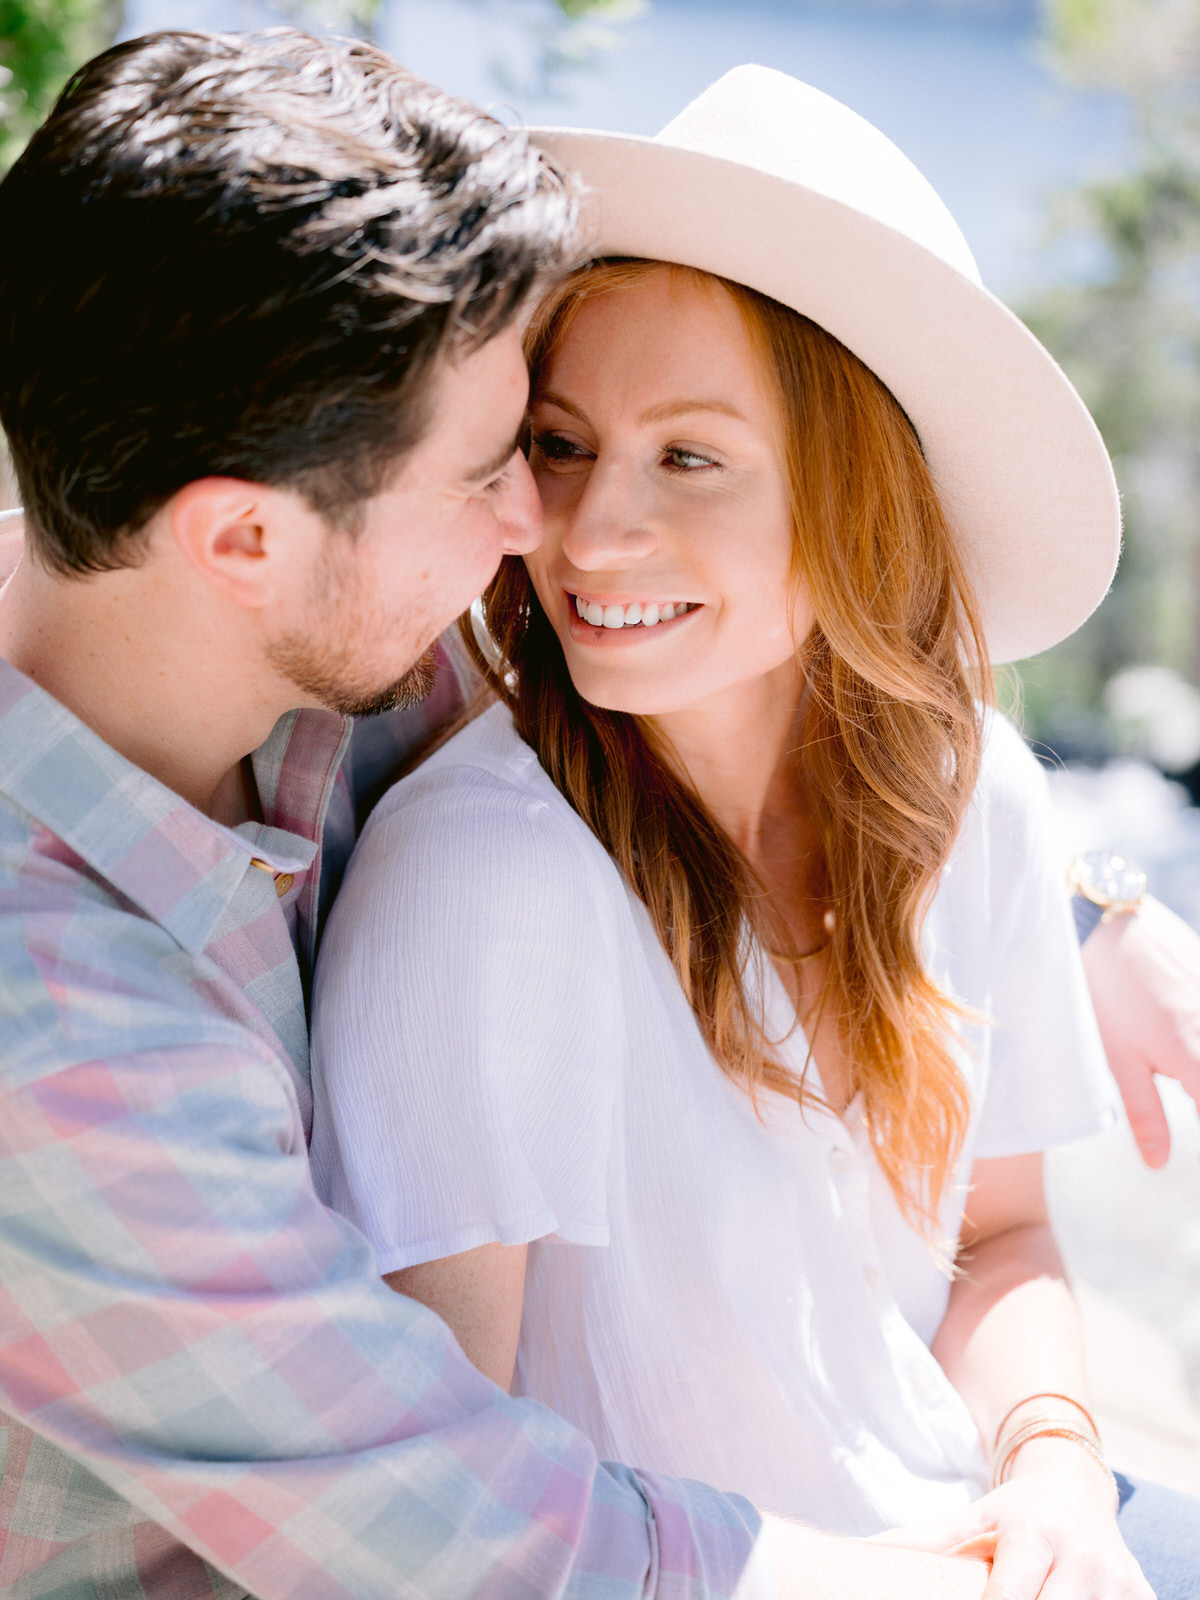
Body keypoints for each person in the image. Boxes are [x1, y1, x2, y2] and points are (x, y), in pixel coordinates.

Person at [0, 27, 1007, 1600]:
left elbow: (754, 685)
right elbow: (460, 1540)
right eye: (495, 469)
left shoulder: (276, 624)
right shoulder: (53, 1031)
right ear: (245, 541)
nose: (544, 530)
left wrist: (1092, 906)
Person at [309, 68, 1200, 1600]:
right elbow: (452, 1509)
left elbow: (999, 1242)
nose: (589, 537)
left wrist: (1053, 1472)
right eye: (566, 445)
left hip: (979, 1519)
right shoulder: (487, 878)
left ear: (859, 500)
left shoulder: (976, 800)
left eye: (691, 456)